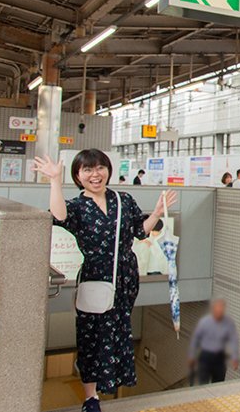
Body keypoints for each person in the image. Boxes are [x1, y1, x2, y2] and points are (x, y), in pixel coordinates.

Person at [32, 150, 177, 412]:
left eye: (100, 168)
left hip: (125, 278)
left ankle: (110, 382)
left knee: (118, 330)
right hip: (95, 277)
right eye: (87, 170)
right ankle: (91, 398)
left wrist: (155, 212)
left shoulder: (124, 200)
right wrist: (55, 180)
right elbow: (60, 216)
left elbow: (138, 232)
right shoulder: (76, 206)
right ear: (78, 176)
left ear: (108, 170)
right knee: (91, 336)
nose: (95, 174)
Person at [188, 299, 239, 385]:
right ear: (213, 310)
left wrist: (235, 357)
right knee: (203, 383)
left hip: (220, 357)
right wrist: (192, 355)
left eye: (221, 310)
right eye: (217, 309)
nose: (219, 312)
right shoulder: (204, 322)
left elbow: (234, 339)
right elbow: (196, 339)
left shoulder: (228, 323)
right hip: (205, 357)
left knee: (218, 384)